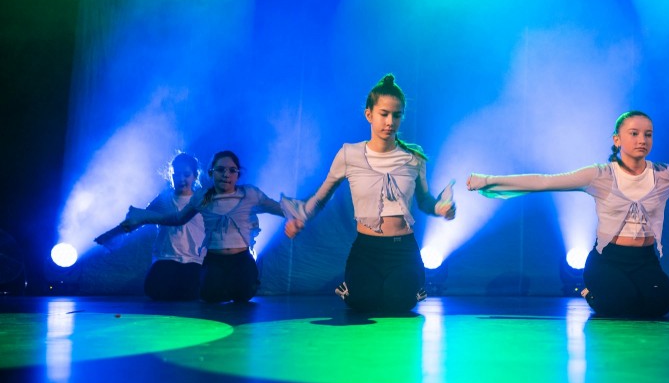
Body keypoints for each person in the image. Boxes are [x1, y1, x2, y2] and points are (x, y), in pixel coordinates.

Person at [466, 110, 669, 318]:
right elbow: (545, 182)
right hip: (609, 259)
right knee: (620, 305)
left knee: (659, 305)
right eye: (634, 133)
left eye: (648, 134)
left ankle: (621, 293)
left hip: (644, 260)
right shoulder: (600, 175)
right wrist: (488, 181)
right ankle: (590, 290)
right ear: (617, 140)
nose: (642, 140)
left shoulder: (665, 175)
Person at [283, 74, 456, 314]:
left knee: (398, 302)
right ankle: (353, 289)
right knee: (363, 301)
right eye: (384, 114)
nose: (390, 121)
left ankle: (411, 289)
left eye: (397, 115)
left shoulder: (413, 157)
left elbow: (425, 201)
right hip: (367, 249)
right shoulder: (349, 154)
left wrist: (441, 208)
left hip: (402, 249)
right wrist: (302, 217)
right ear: (369, 115)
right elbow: (321, 197)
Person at [121, 150, 284, 303]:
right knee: (167, 291)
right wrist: (136, 220)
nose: (226, 174)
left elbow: (275, 208)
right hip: (184, 258)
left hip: (212, 259)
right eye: (220, 170)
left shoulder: (241, 195)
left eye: (231, 170)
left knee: (232, 293)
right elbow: (174, 218)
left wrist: (294, 215)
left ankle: (234, 284)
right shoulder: (185, 199)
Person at [95, 152, 206, 300]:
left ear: (195, 176)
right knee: (155, 290)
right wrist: (113, 234)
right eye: (176, 174)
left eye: (186, 175)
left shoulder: (203, 200)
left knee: (191, 293)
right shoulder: (163, 200)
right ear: (171, 175)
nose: (181, 179)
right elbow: (140, 219)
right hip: (166, 258)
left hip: (194, 260)